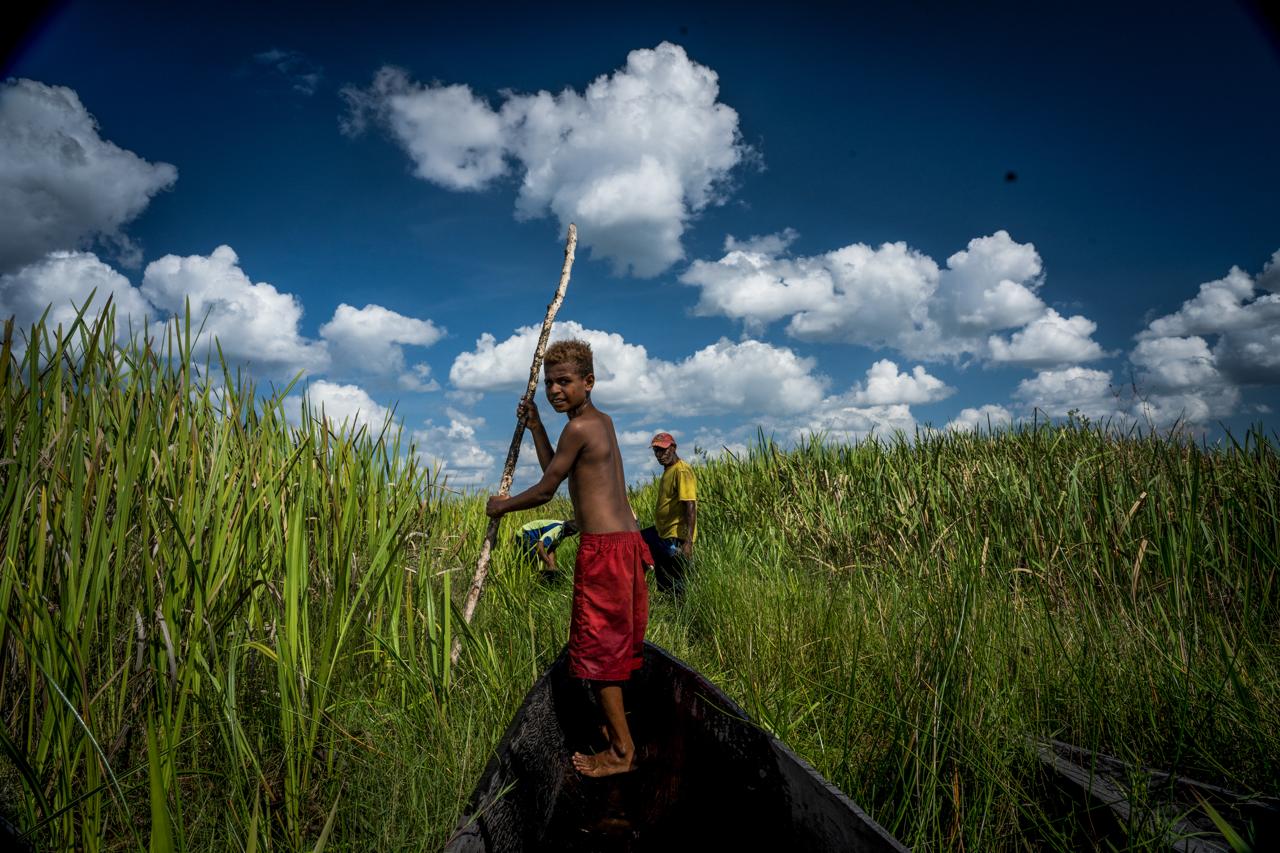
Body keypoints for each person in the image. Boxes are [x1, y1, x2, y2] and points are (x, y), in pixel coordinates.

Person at [486, 339, 651, 778]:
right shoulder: (596, 423)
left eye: (564, 382)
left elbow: (543, 492)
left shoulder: (580, 428)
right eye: (549, 384)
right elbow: (554, 473)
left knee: (600, 653)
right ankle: (615, 725)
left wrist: (501, 506)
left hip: (607, 551)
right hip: (627, 546)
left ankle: (621, 752)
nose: (555, 390)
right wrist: (537, 425)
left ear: (588, 382)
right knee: (612, 645)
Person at [640, 432, 697, 594]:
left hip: (675, 536)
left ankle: (683, 612)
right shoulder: (669, 470)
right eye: (656, 451)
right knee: (635, 541)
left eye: (663, 450)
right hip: (661, 533)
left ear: (673, 448)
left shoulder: (682, 471)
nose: (659, 455)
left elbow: (690, 506)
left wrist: (688, 542)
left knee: (677, 582)